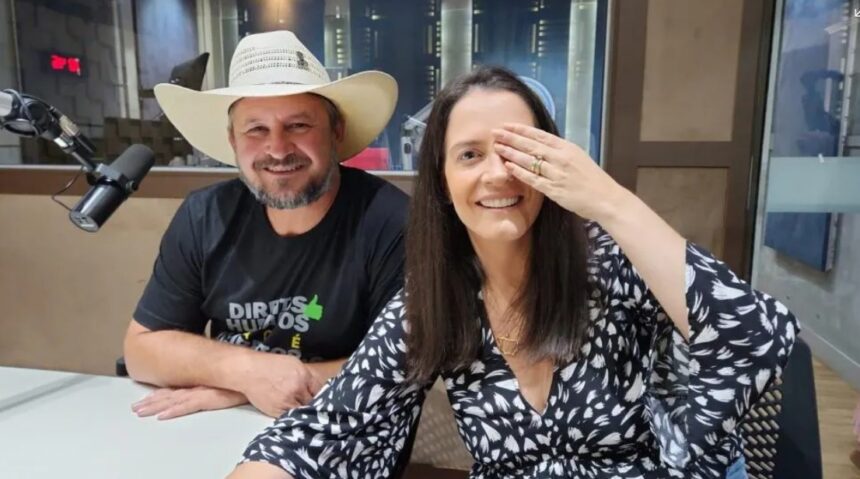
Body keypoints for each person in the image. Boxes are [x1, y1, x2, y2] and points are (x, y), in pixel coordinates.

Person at [228, 66, 798, 479]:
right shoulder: (437, 301)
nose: (498, 174)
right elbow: (331, 425)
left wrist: (609, 201)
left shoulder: (611, 264)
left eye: (519, 152)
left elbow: (757, 338)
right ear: (443, 182)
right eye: (470, 155)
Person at [123, 30, 408, 421]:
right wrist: (246, 374)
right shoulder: (204, 215)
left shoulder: (391, 221)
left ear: (336, 131)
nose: (277, 149)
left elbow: (403, 365)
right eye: (256, 129)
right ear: (232, 140)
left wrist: (257, 386)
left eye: (298, 125)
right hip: (223, 426)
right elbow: (141, 349)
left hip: (343, 426)